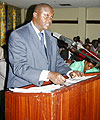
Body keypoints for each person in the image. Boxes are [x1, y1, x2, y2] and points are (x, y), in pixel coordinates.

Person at [7, 3, 84, 88]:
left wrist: (70, 72)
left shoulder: (51, 37)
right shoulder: (18, 35)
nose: (49, 20)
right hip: (23, 89)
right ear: (35, 15)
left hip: (46, 87)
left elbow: (57, 62)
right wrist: (48, 75)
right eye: (46, 16)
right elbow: (19, 67)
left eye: (51, 17)